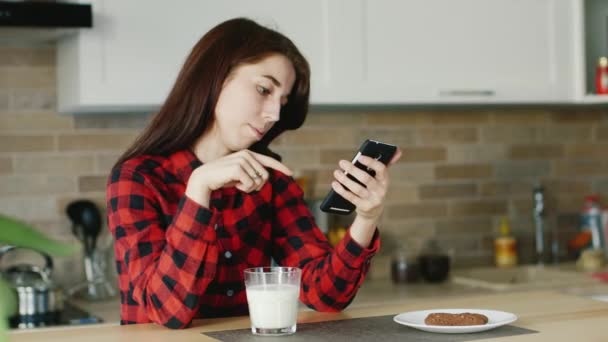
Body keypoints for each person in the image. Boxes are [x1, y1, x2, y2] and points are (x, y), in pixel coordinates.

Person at [106, 17, 402, 329]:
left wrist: (367, 218)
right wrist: (199, 188)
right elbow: (166, 312)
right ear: (216, 77)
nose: (274, 114)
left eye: (282, 101)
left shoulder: (271, 181)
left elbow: (325, 295)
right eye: (264, 89)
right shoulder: (137, 179)